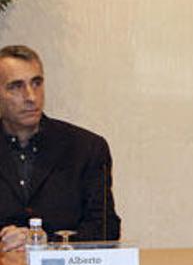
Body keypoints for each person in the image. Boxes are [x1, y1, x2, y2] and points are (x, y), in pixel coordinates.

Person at [0, 45, 120, 251]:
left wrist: (49, 244)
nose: (31, 97)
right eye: (16, 86)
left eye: (36, 83)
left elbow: (105, 229)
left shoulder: (87, 148)